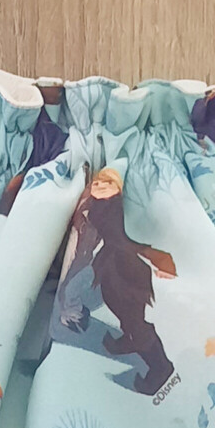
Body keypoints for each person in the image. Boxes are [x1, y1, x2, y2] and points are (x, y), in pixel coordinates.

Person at [55, 166, 177, 395]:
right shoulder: (99, 205)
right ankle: (131, 338)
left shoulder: (118, 209)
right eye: (97, 182)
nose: (100, 186)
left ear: (119, 188)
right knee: (122, 310)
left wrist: (157, 257)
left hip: (128, 271)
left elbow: (128, 238)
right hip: (112, 265)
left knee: (134, 319)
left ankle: (161, 367)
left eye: (108, 183)